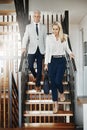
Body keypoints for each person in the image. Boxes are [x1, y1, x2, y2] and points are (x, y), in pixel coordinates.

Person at [44, 21, 74, 114]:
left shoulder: (64, 37)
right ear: (51, 29)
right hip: (52, 61)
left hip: (61, 61)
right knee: (53, 83)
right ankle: (55, 104)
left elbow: (67, 48)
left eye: (57, 29)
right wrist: (46, 64)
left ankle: (61, 92)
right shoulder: (48, 38)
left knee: (57, 81)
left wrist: (70, 53)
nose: (55, 31)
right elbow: (47, 51)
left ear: (59, 29)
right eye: (53, 29)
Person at [22, 10, 47, 92]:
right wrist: (23, 47)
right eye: (35, 16)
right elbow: (25, 37)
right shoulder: (28, 27)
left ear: (40, 17)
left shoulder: (43, 27)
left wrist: (46, 50)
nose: (36, 17)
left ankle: (38, 85)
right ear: (33, 17)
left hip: (41, 49)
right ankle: (36, 76)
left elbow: (45, 39)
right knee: (30, 66)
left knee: (40, 67)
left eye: (38, 16)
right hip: (31, 49)